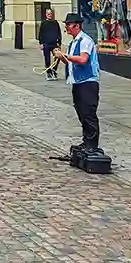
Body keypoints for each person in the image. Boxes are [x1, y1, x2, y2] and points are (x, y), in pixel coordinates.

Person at [57, 14, 101, 154]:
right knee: (82, 113)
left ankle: (92, 145)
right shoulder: (74, 42)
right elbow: (70, 62)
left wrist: (65, 56)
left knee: (88, 114)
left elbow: (82, 59)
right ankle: (86, 141)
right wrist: (62, 57)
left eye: (69, 25)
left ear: (77, 26)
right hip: (77, 82)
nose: (66, 27)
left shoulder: (85, 40)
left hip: (88, 82)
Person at [37, 9, 64, 78]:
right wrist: (41, 43)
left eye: (51, 14)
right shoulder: (43, 23)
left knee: (58, 57)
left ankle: (54, 70)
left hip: (54, 43)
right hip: (46, 43)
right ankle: (48, 72)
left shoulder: (55, 22)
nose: (50, 15)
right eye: (48, 14)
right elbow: (41, 33)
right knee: (47, 59)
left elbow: (58, 32)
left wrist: (59, 42)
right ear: (46, 15)